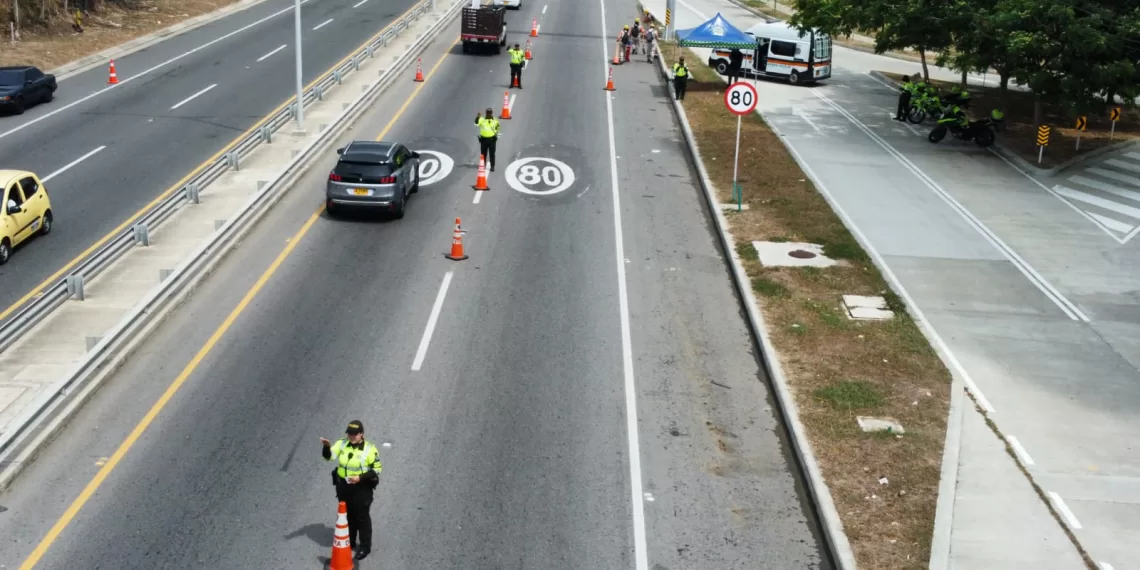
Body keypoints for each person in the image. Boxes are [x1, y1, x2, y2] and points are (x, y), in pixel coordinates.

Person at [321, 420, 382, 561]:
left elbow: (377, 469)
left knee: (361, 517)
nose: (351, 436)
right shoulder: (342, 443)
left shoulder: (370, 449)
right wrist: (326, 447)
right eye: (350, 434)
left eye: (355, 434)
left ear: (362, 434)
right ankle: (350, 541)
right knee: (347, 515)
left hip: (362, 488)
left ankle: (365, 546)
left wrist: (360, 478)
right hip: (343, 486)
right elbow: (329, 457)